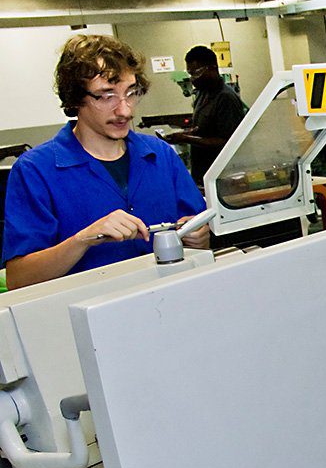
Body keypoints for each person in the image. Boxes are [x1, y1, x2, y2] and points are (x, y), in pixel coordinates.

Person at [2, 34, 208, 290]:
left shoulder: (160, 155)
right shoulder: (36, 170)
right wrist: (83, 240)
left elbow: (198, 233)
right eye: (106, 96)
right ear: (75, 98)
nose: (125, 110)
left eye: (131, 93)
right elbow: (19, 279)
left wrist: (199, 238)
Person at [164, 45, 246, 185]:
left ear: (213, 68)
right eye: (190, 74)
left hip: (221, 175)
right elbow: (202, 128)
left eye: (196, 73)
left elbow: (228, 142)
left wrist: (187, 138)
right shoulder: (202, 93)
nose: (193, 79)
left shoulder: (225, 98)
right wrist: (186, 134)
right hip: (202, 172)